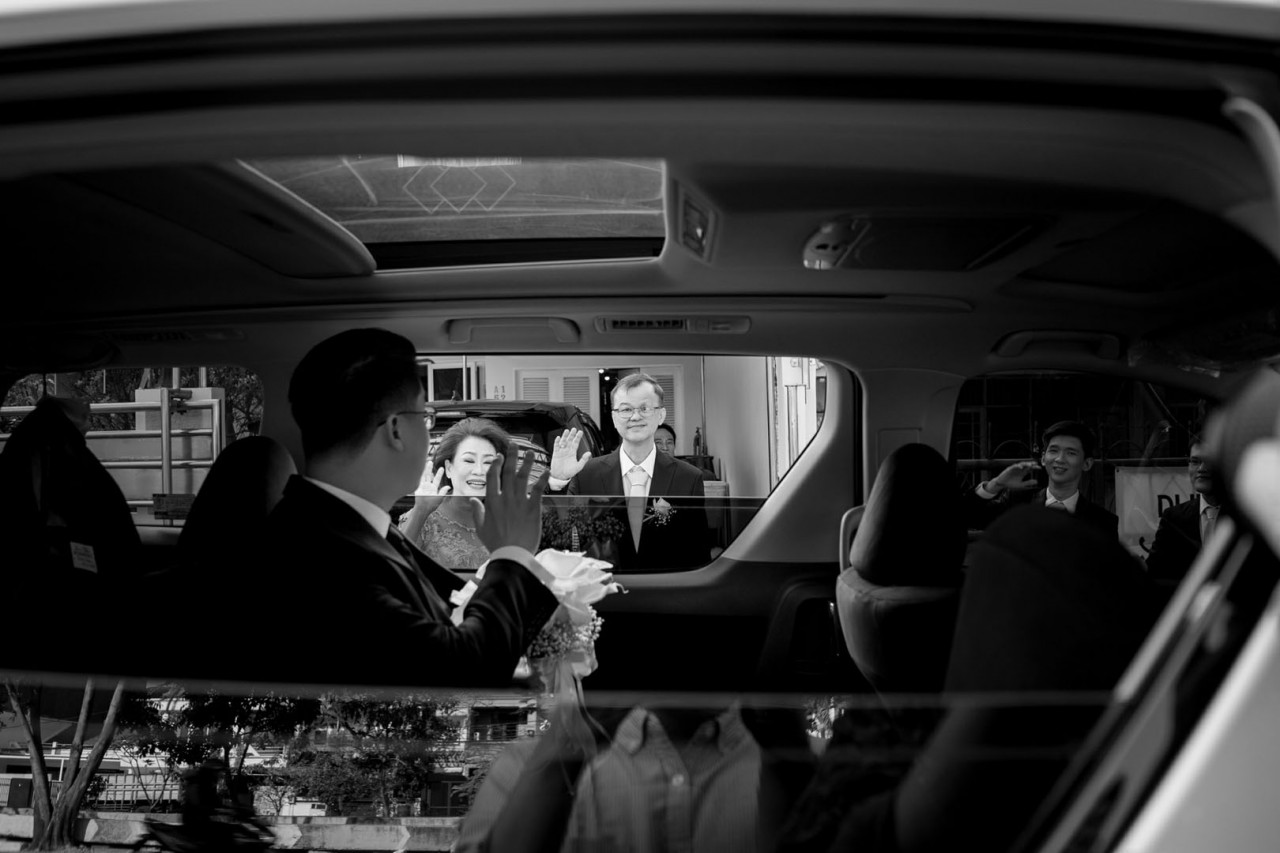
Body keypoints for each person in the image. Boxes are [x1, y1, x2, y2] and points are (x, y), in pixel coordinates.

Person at [256, 328, 557, 686]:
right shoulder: (319, 556)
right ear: (396, 430)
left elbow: (446, 609)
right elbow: (463, 672)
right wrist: (512, 553)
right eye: (425, 416)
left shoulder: (355, 527)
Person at [548, 373, 709, 572]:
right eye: (626, 409)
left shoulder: (689, 477)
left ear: (661, 415)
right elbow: (561, 534)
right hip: (605, 585)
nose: (635, 417)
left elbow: (698, 551)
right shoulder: (587, 474)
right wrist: (558, 481)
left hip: (667, 585)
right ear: (614, 418)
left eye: (645, 408)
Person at [965, 420, 1118, 538]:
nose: (1059, 459)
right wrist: (995, 484)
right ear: (1043, 458)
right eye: (1054, 451)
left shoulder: (1103, 522)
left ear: (1087, 463)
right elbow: (968, 517)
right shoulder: (1017, 502)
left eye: (1071, 453)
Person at [397, 417, 510, 569]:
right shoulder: (424, 516)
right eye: (469, 460)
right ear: (449, 468)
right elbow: (394, 567)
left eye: (489, 462)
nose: (479, 471)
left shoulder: (507, 519)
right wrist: (421, 510)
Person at [1145, 439, 1223, 583]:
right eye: (1195, 461)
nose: (1201, 468)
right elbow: (1154, 574)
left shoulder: (1246, 517)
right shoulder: (1173, 519)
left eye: (1209, 461)